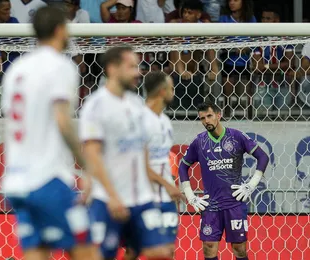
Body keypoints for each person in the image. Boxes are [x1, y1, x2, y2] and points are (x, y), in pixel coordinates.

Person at [1, 6, 98, 260]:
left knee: (38, 252)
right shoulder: (59, 66)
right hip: (46, 180)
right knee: (85, 250)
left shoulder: (16, 71)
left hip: (17, 182)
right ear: (60, 30)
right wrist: (88, 168)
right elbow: (62, 120)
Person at [79, 46, 174, 260]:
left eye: (138, 66)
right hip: (109, 198)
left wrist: (151, 190)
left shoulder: (136, 104)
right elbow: (91, 155)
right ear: (112, 69)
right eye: (131, 66)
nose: (138, 72)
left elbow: (142, 149)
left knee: (161, 252)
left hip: (142, 198)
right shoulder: (96, 106)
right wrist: (112, 196)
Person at [178, 101, 269, 260]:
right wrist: (190, 196)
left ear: (218, 115)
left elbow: (263, 157)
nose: (206, 121)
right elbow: (182, 167)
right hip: (211, 205)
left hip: (234, 203)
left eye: (209, 116)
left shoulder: (236, 136)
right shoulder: (199, 142)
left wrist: (251, 185)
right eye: (202, 118)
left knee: (239, 248)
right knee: (208, 247)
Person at [124, 71, 184, 260]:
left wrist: (170, 185)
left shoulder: (165, 121)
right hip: (144, 196)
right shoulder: (140, 121)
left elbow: (163, 161)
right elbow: (140, 165)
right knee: (135, 250)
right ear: (161, 91)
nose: (174, 92)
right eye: (171, 88)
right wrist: (168, 185)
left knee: (168, 251)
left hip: (166, 198)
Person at [252, 6, 294, 115]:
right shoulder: (257, 40)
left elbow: (289, 64)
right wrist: (279, 66)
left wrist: (266, 66)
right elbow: (257, 66)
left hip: (283, 84)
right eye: (263, 18)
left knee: (284, 118)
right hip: (262, 85)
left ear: (277, 20)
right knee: (263, 118)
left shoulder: (284, 39)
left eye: (268, 19)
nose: (264, 21)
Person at [219, 0, 256, 118]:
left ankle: (250, 115)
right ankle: (227, 111)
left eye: (235, 0)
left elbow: (256, 41)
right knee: (227, 88)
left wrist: (246, 48)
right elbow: (219, 40)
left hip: (246, 62)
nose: (231, 3)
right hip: (228, 60)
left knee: (246, 94)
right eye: (230, 0)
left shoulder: (251, 19)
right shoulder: (224, 19)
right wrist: (233, 48)